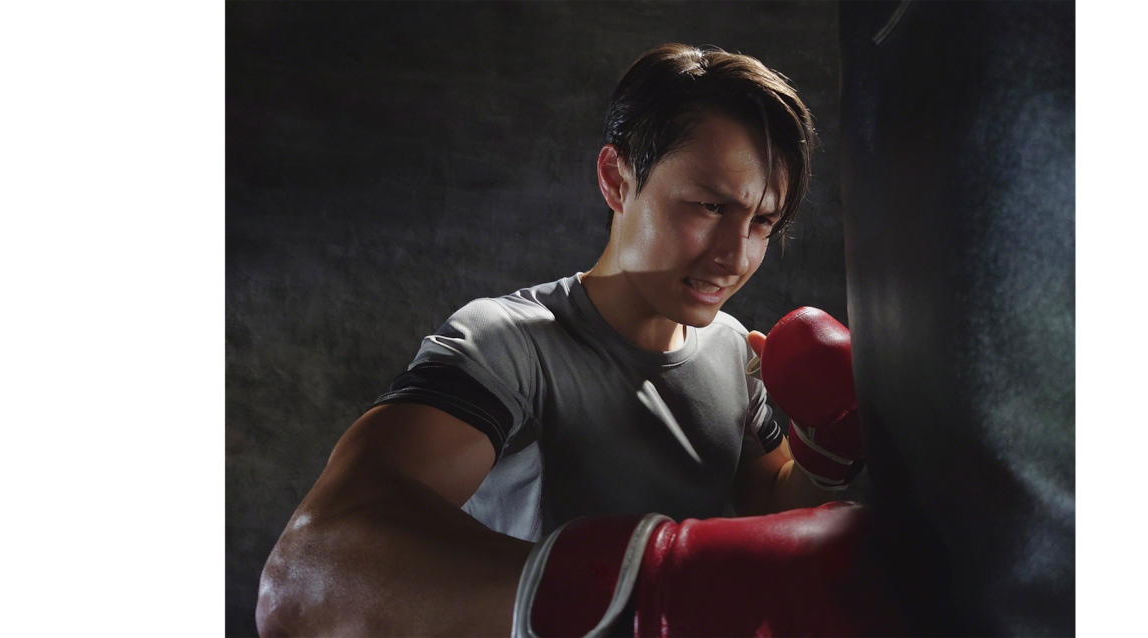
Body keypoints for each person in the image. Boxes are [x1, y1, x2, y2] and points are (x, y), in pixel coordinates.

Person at [256, 44, 865, 638]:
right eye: (708, 206)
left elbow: (770, 509)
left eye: (762, 223)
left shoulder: (734, 348)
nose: (736, 257)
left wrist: (823, 449)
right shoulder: (507, 346)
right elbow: (302, 579)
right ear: (617, 179)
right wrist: (635, 594)